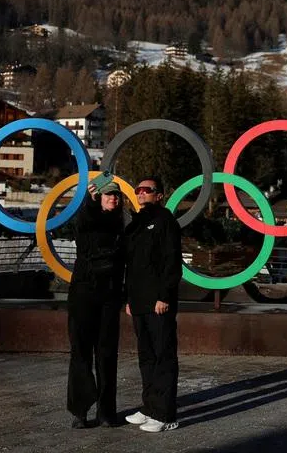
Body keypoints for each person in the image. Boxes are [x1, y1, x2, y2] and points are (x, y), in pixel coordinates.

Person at [123, 176, 182, 433]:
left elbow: (172, 262)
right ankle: (149, 407)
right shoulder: (137, 223)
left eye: (148, 190)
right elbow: (132, 266)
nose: (141, 193)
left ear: (159, 195)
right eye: (138, 190)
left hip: (159, 302)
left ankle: (164, 414)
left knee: (163, 357)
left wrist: (164, 296)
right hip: (138, 302)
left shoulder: (166, 221)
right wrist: (128, 298)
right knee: (146, 357)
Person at [66, 179, 126, 429]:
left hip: (110, 296)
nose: (113, 198)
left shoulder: (122, 225)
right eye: (108, 195)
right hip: (83, 293)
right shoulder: (88, 219)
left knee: (107, 354)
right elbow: (84, 220)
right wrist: (89, 201)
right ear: (99, 198)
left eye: (116, 196)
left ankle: (106, 411)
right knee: (80, 352)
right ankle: (80, 410)